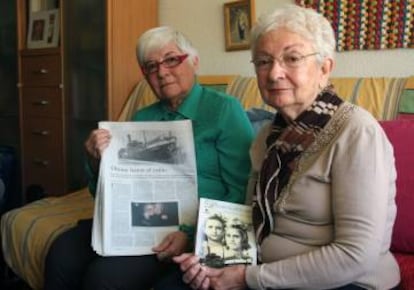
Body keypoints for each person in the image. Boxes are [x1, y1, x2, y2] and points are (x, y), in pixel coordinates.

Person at [174, 5, 400, 290]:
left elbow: (356, 255)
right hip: (265, 269)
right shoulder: (267, 135)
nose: (274, 73)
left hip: (347, 281)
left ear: (324, 68)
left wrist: (248, 278)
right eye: (264, 61)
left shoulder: (356, 132)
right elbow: (247, 218)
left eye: (292, 58)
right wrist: (212, 259)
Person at [43, 26, 254, 290]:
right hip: (141, 223)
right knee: (61, 253)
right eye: (151, 67)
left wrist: (190, 235)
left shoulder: (224, 110)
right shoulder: (142, 118)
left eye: (171, 60)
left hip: (196, 228)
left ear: (194, 61)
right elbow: (108, 195)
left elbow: (243, 190)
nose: (162, 72)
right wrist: (97, 161)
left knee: (104, 278)